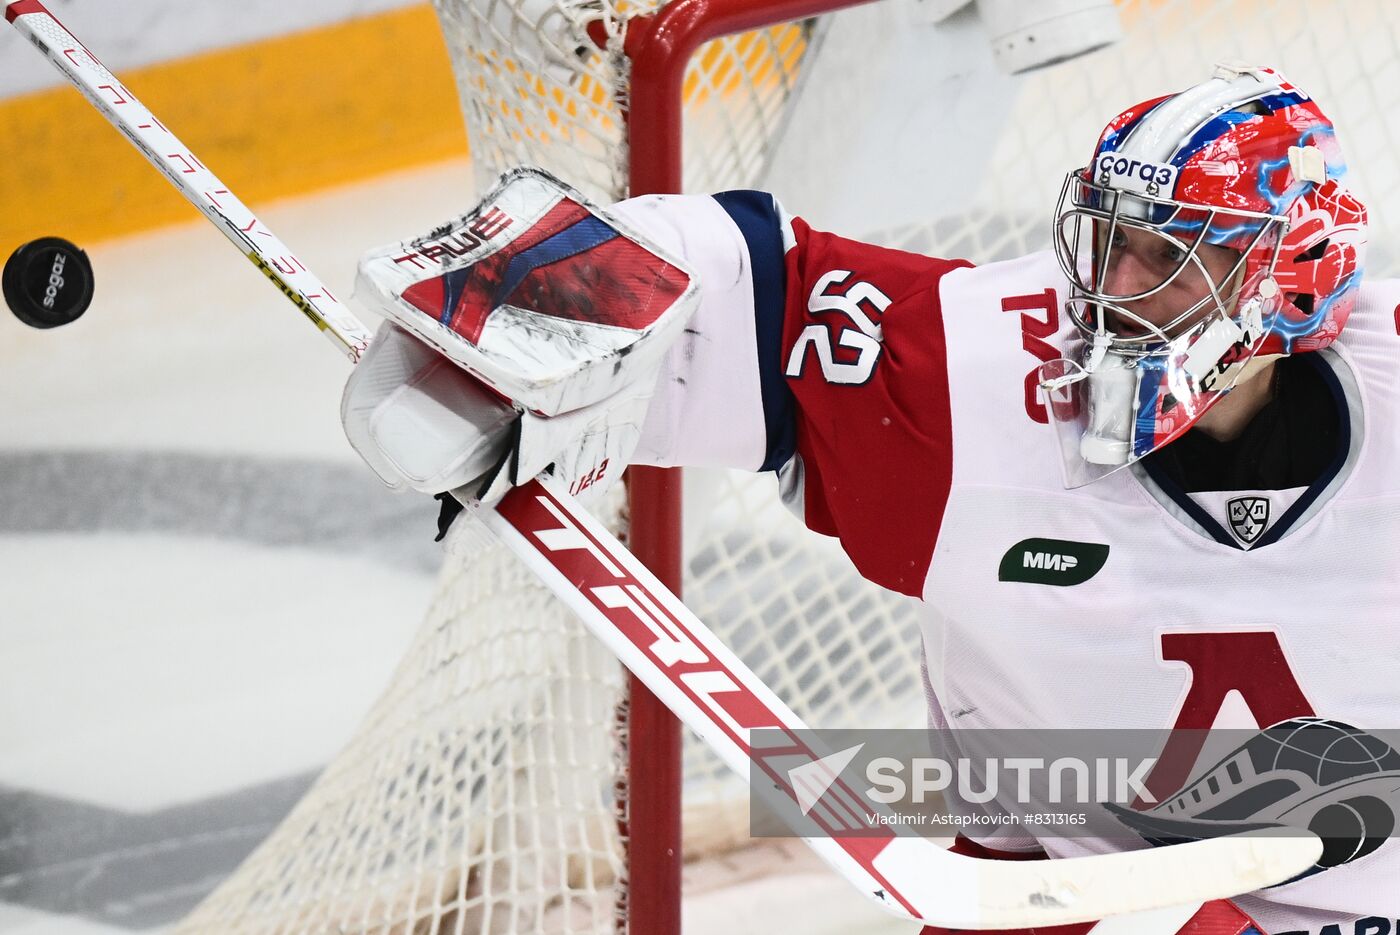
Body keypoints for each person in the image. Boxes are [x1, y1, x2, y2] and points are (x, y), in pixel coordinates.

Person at [344, 64, 1394, 935]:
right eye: (1105, 237)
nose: (1107, 286)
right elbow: (745, 287)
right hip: (1064, 893)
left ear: (1285, 278)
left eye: (1162, 257)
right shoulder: (982, 378)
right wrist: (522, 306)